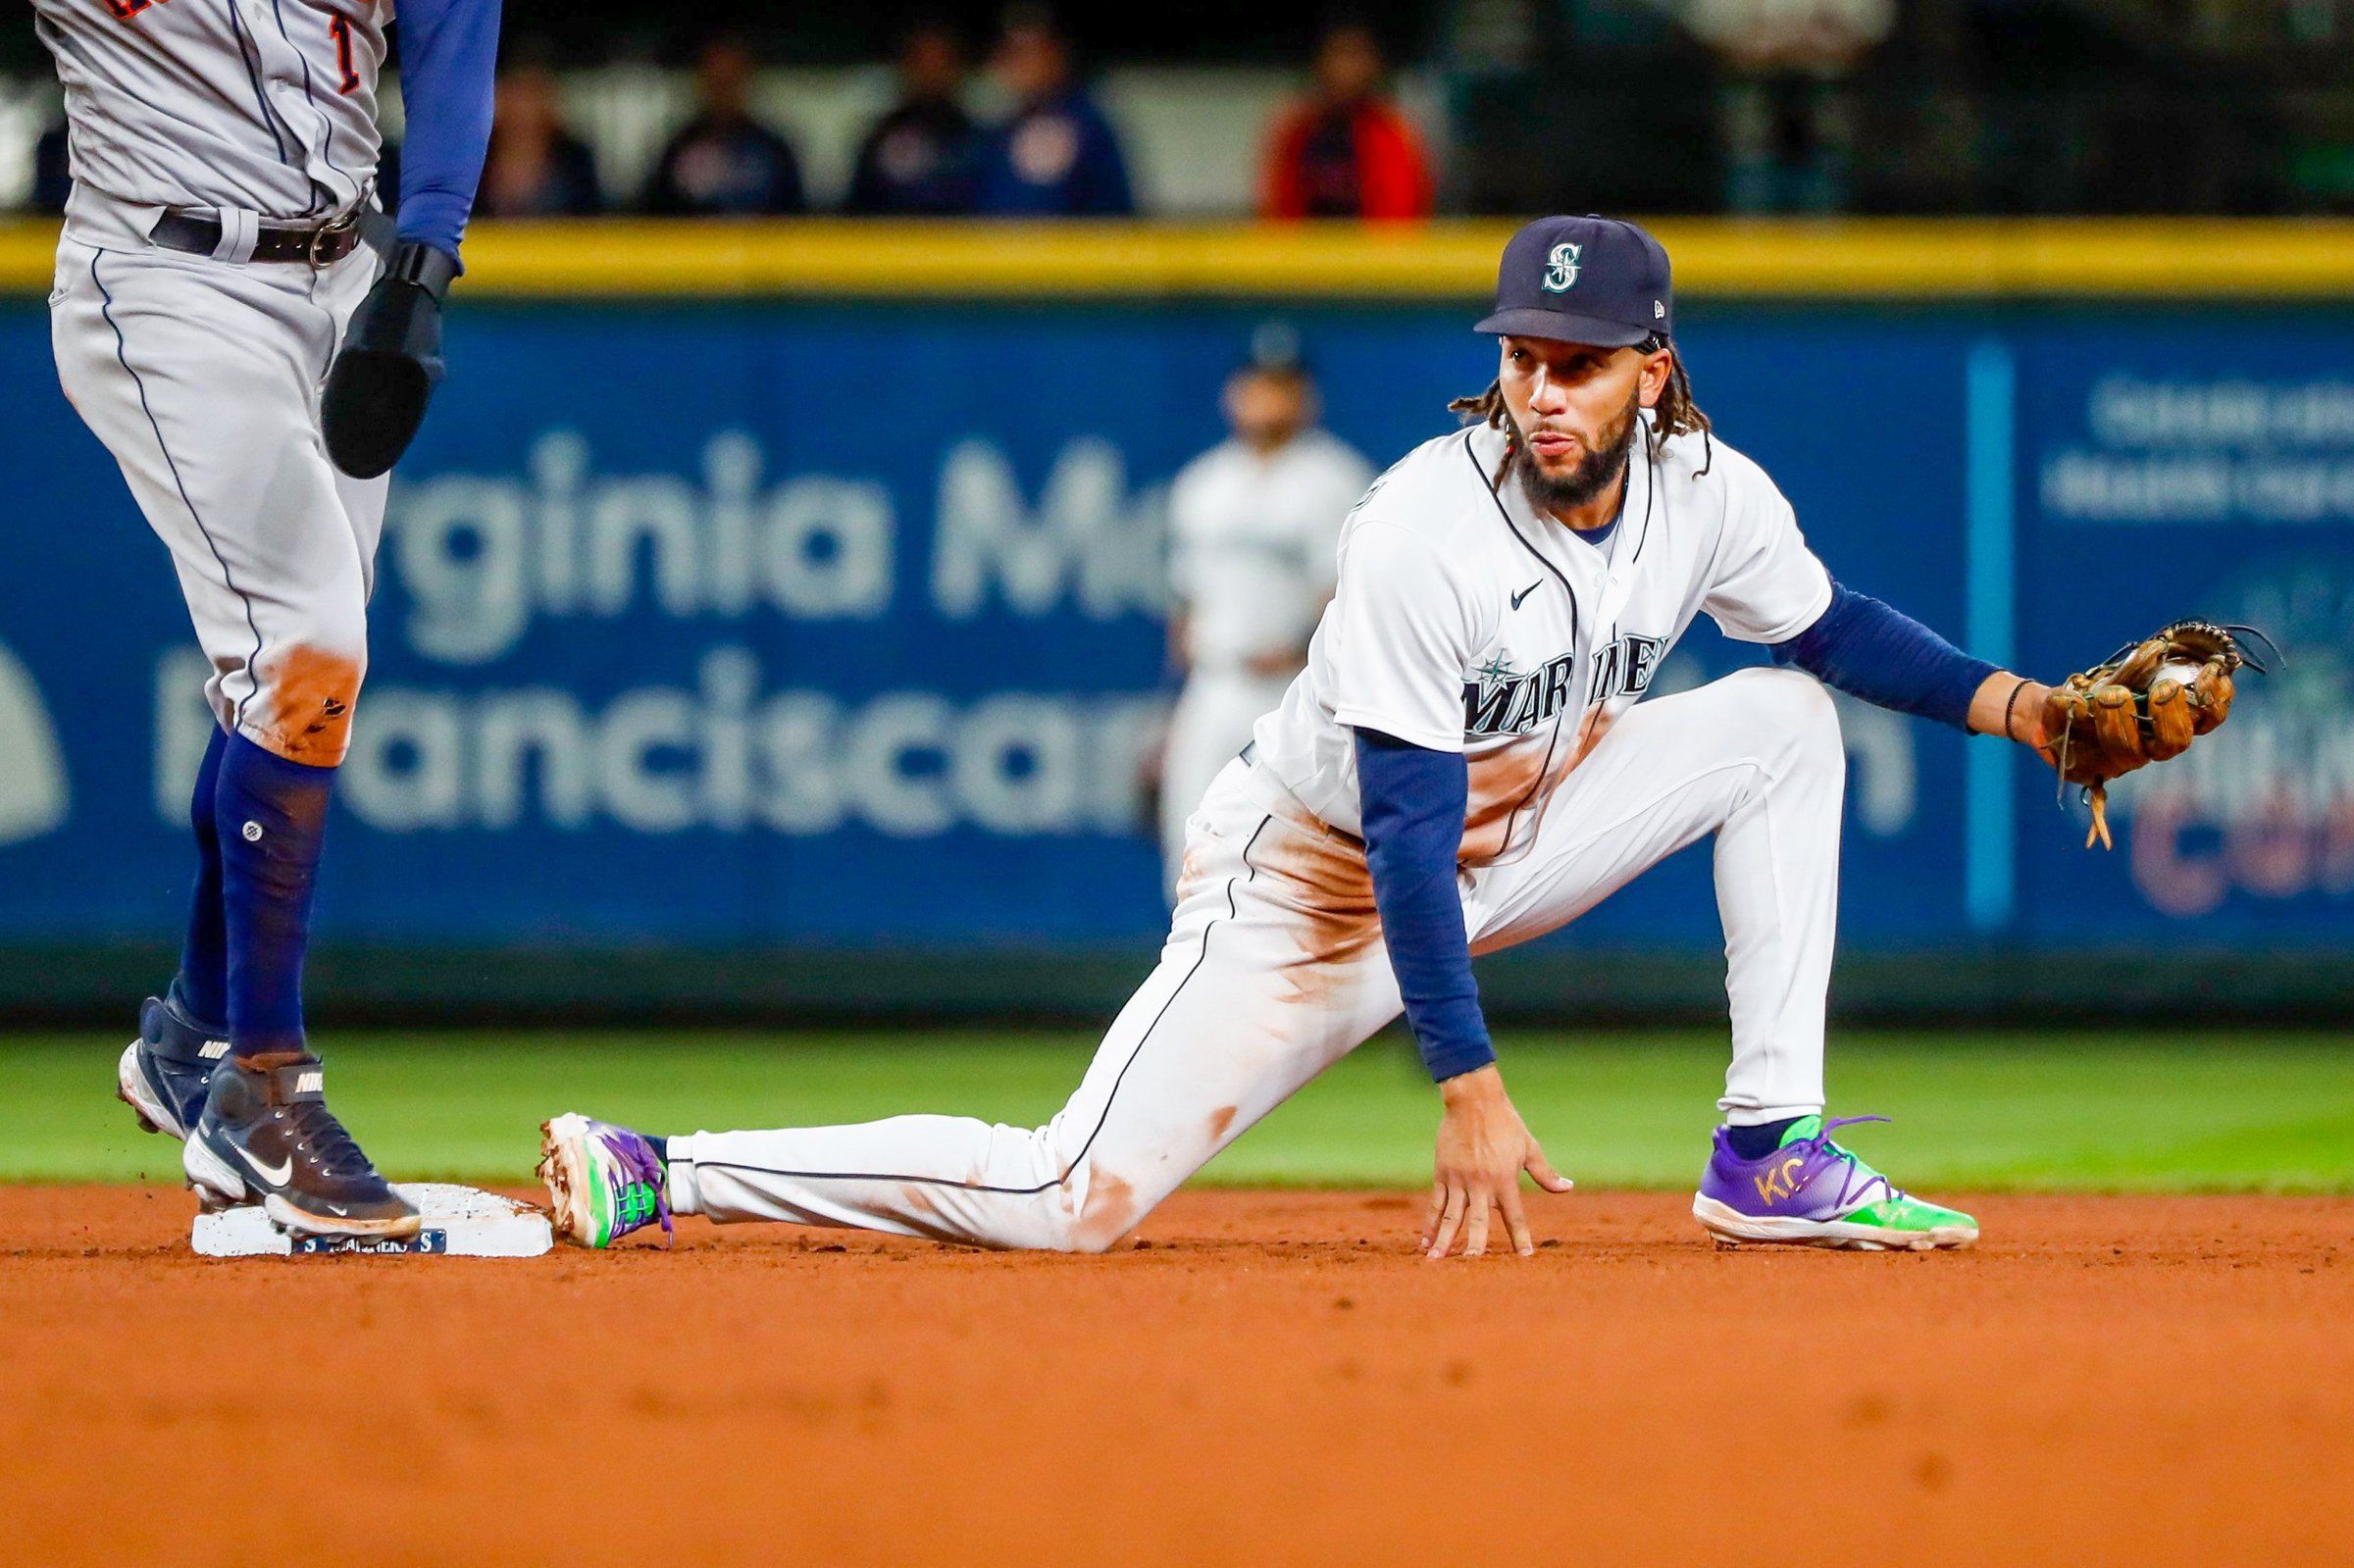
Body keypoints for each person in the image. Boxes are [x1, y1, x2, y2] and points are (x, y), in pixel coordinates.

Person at [538, 215, 2071, 1259]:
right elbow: (1405, 828)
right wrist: (1465, 1082)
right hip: (1317, 882)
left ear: (1651, 371)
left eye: (1580, 360)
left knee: (1792, 722)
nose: (1542, 389)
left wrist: (2032, 710)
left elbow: (1831, 627)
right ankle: (661, 1166)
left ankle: (1769, 1148)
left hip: (1525, 830)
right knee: (1069, 1195)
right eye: (1525, 353)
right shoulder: (1422, 525)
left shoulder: (1710, 490)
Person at [43, 0, 497, 1238]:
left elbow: (457, 30)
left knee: (299, 686)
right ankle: (263, 1085)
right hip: (164, 277)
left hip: (341, 282)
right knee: (308, 649)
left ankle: (191, 1035)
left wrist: (425, 256)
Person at [1160, 343, 1372, 896]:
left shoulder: (1336, 478)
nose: (1266, 400)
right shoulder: (1202, 482)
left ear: (1306, 397)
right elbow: (1184, 603)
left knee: (1293, 864)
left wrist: (1306, 650)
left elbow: (1354, 593)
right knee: (1190, 854)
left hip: (1294, 692)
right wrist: (1169, 710)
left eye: (1281, 386)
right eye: (1256, 385)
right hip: (1213, 685)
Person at [1259, 22, 1435, 222]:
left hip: (1372, 250)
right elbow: (1277, 210)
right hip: (1303, 249)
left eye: (1355, 56)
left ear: (1373, 65)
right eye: (1338, 55)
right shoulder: (1295, 130)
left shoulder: (1393, 132)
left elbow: (1402, 215)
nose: (1345, 69)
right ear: (1320, 62)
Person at [975, 8, 1135, 218]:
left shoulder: (1088, 124)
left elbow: (1115, 207)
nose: (1020, 64)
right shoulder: (998, 126)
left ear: (1057, 54)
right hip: (998, 247)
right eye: (1012, 52)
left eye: (1032, 52)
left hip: (1074, 248)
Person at [642, 35, 807, 217]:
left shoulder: (773, 150)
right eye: (717, 79)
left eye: (731, 79)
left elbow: (794, 217)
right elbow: (657, 217)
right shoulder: (679, 149)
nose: (724, 91)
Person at [843, 19, 983, 217]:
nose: (931, 70)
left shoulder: (977, 138)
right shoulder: (882, 135)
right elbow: (857, 209)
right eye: (922, 59)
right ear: (907, 65)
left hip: (961, 244)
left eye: (940, 60)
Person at [478, 57, 603, 218]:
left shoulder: (576, 164)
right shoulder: (473, 162)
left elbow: (593, 223)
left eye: (533, 96)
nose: (524, 111)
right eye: (517, 96)